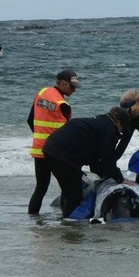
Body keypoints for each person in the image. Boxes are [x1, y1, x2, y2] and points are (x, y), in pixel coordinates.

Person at [42, 107, 131, 218]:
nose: (121, 131)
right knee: (74, 195)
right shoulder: (109, 131)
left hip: (50, 148)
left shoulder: (100, 123)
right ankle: (70, 227)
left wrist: (104, 174)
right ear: (118, 121)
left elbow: (94, 159)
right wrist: (120, 179)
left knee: (68, 189)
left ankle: (65, 219)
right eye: (122, 128)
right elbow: (107, 160)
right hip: (63, 155)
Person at [27, 68, 80, 214]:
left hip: (39, 149)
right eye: (72, 86)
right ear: (63, 83)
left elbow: (30, 120)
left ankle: (32, 219)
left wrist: (41, 137)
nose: (74, 90)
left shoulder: (42, 93)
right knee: (67, 187)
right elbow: (66, 133)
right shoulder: (62, 104)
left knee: (41, 187)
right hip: (57, 153)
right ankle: (67, 218)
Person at [114, 88, 139, 187]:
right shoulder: (131, 119)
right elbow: (123, 144)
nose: (128, 114)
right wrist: (110, 163)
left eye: (129, 111)